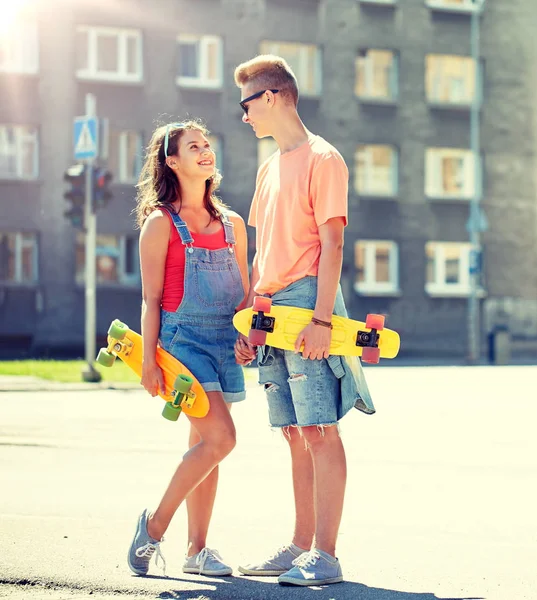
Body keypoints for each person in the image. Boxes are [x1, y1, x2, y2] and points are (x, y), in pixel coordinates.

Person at [233, 55, 376, 587]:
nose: (243, 115)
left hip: (306, 301)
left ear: (271, 97)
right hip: (269, 307)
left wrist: (320, 318)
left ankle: (327, 554)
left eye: (246, 104)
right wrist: (250, 318)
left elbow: (333, 241)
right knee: (293, 432)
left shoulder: (324, 158)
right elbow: (260, 253)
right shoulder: (268, 167)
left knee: (320, 428)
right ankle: (299, 546)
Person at [128, 120, 249, 578]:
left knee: (207, 445)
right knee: (222, 438)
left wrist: (247, 337)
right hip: (182, 344)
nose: (204, 151)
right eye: (192, 146)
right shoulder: (160, 224)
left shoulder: (234, 225)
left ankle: (197, 550)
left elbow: (244, 295)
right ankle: (154, 527)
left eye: (207, 143)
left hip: (223, 343)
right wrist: (147, 363)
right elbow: (151, 300)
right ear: (172, 161)